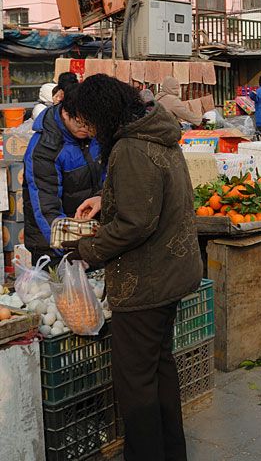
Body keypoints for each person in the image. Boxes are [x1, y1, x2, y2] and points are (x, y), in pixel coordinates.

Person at [70, 75, 202, 461]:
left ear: (105, 114)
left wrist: (87, 249)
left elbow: (135, 224)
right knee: (158, 367)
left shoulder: (129, 148)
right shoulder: (157, 133)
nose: (89, 131)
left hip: (146, 281)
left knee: (135, 382)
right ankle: (170, 452)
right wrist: (102, 197)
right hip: (172, 271)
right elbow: (147, 196)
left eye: (90, 122)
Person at [23, 85, 103, 263]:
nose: (88, 129)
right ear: (66, 113)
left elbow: (107, 178)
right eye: (82, 123)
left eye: (92, 124)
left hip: (90, 238)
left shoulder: (93, 136)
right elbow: (46, 208)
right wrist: (69, 250)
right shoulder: (45, 148)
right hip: (53, 246)